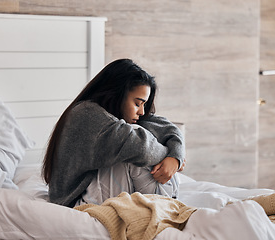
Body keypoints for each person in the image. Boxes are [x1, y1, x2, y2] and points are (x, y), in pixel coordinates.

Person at [42, 58, 186, 208]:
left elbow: (169, 128)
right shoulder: (86, 114)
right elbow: (141, 148)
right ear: (117, 94)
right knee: (135, 139)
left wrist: (175, 157)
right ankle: (165, 204)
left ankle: (164, 202)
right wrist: (169, 155)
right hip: (74, 202)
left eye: (143, 104)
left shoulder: (116, 116)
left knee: (137, 134)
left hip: (92, 192)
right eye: (137, 103)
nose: (142, 111)